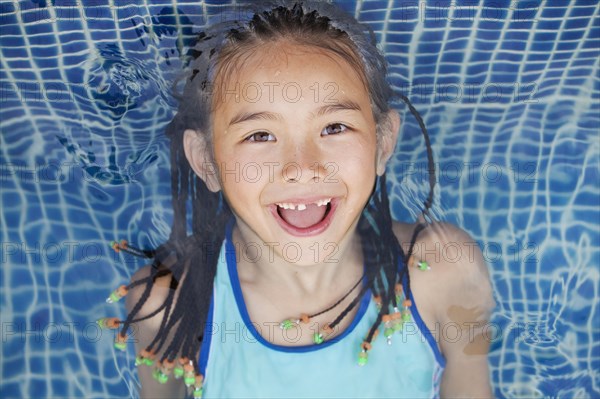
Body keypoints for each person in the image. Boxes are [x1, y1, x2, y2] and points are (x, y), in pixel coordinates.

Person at [102, 1, 495, 397]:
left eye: (334, 127)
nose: (301, 167)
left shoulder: (442, 272)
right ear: (206, 161)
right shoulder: (168, 303)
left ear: (383, 142)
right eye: (260, 136)